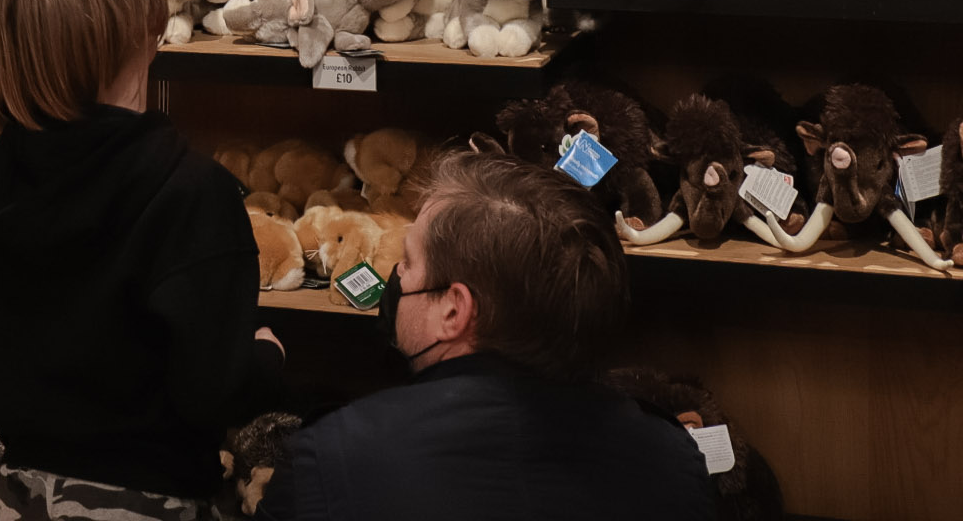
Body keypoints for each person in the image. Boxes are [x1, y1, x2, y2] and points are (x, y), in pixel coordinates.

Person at [0, 0, 286, 520]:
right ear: (149, 26)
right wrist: (268, 357)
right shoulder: (191, 193)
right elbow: (212, 393)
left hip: (16, 497)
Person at [260, 149, 717, 521]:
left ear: (454, 310)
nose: (396, 274)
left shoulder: (330, 459)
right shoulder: (674, 461)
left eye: (409, 262)